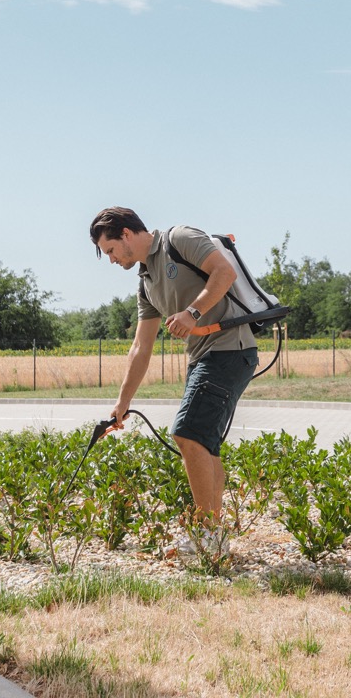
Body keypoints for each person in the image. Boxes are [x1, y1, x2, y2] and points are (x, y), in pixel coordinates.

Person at [89, 206, 258, 554]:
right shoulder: (146, 283)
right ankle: (214, 538)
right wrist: (122, 404)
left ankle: (206, 534)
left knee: (187, 433)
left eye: (110, 251)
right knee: (204, 443)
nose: (111, 260)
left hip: (230, 348)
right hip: (203, 358)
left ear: (125, 234)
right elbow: (141, 347)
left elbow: (222, 273)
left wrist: (192, 312)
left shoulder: (179, 239)